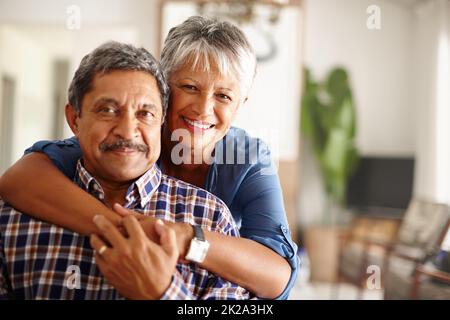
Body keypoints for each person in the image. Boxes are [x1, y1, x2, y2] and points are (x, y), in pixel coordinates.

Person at [0, 16, 298, 299]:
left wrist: (183, 237)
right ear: (164, 90)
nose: (204, 108)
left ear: (240, 104)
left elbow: (277, 277)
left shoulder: (242, 162)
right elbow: (19, 179)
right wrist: (125, 231)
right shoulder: (124, 143)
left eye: (223, 96)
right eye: (190, 87)